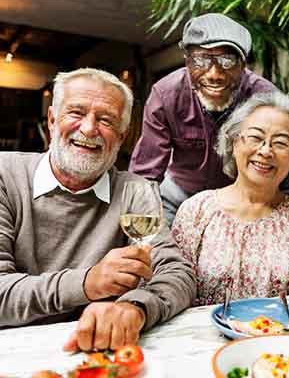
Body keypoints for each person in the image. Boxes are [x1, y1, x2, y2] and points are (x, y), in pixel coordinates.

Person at [0, 68, 197, 351]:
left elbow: (177, 272)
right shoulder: (5, 176)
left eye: (106, 120)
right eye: (77, 113)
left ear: (121, 137)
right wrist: (87, 283)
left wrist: (135, 307)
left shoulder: (135, 191)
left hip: (97, 352)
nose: (89, 128)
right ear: (53, 120)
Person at [130, 13, 289, 227]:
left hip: (241, 200)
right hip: (177, 196)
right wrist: (136, 228)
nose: (213, 74)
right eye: (201, 60)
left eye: (227, 61)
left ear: (243, 64)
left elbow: (285, 167)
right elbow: (146, 173)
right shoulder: (166, 94)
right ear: (187, 61)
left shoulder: (265, 97)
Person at [171, 91, 289, 306]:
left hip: (276, 336)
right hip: (201, 335)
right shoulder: (196, 210)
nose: (265, 151)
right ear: (234, 143)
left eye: (280, 143)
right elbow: (175, 288)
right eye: (255, 137)